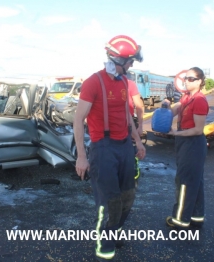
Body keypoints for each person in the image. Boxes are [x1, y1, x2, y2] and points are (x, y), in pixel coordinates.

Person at [73, 35, 146, 261]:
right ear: (118, 58)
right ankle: (104, 242)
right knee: (109, 199)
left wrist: (138, 140)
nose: (132, 65)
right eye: (130, 61)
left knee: (128, 195)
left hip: (124, 146)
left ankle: (115, 230)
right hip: (103, 148)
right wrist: (82, 157)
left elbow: (126, 115)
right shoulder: (93, 82)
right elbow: (78, 120)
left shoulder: (125, 82)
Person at [163, 67, 209, 230]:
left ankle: (180, 220)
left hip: (193, 143)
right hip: (186, 142)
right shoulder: (186, 97)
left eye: (191, 79)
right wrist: (165, 107)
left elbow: (198, 129)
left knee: (185, 182)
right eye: (186, 78)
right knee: (195, 181)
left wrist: (176, 133)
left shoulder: (199, 100)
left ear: (200, 81)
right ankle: (196, 216)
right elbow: (174, 111)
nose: (187, 81)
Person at [128, 79, 145, 185]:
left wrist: (139, 125)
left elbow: (139, 106)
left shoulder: (130, 84)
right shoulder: (130, 84)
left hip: (126, 125)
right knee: (131, 152)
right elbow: (139, 106)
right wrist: (140, 125)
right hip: (128, 125)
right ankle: (132, 179)